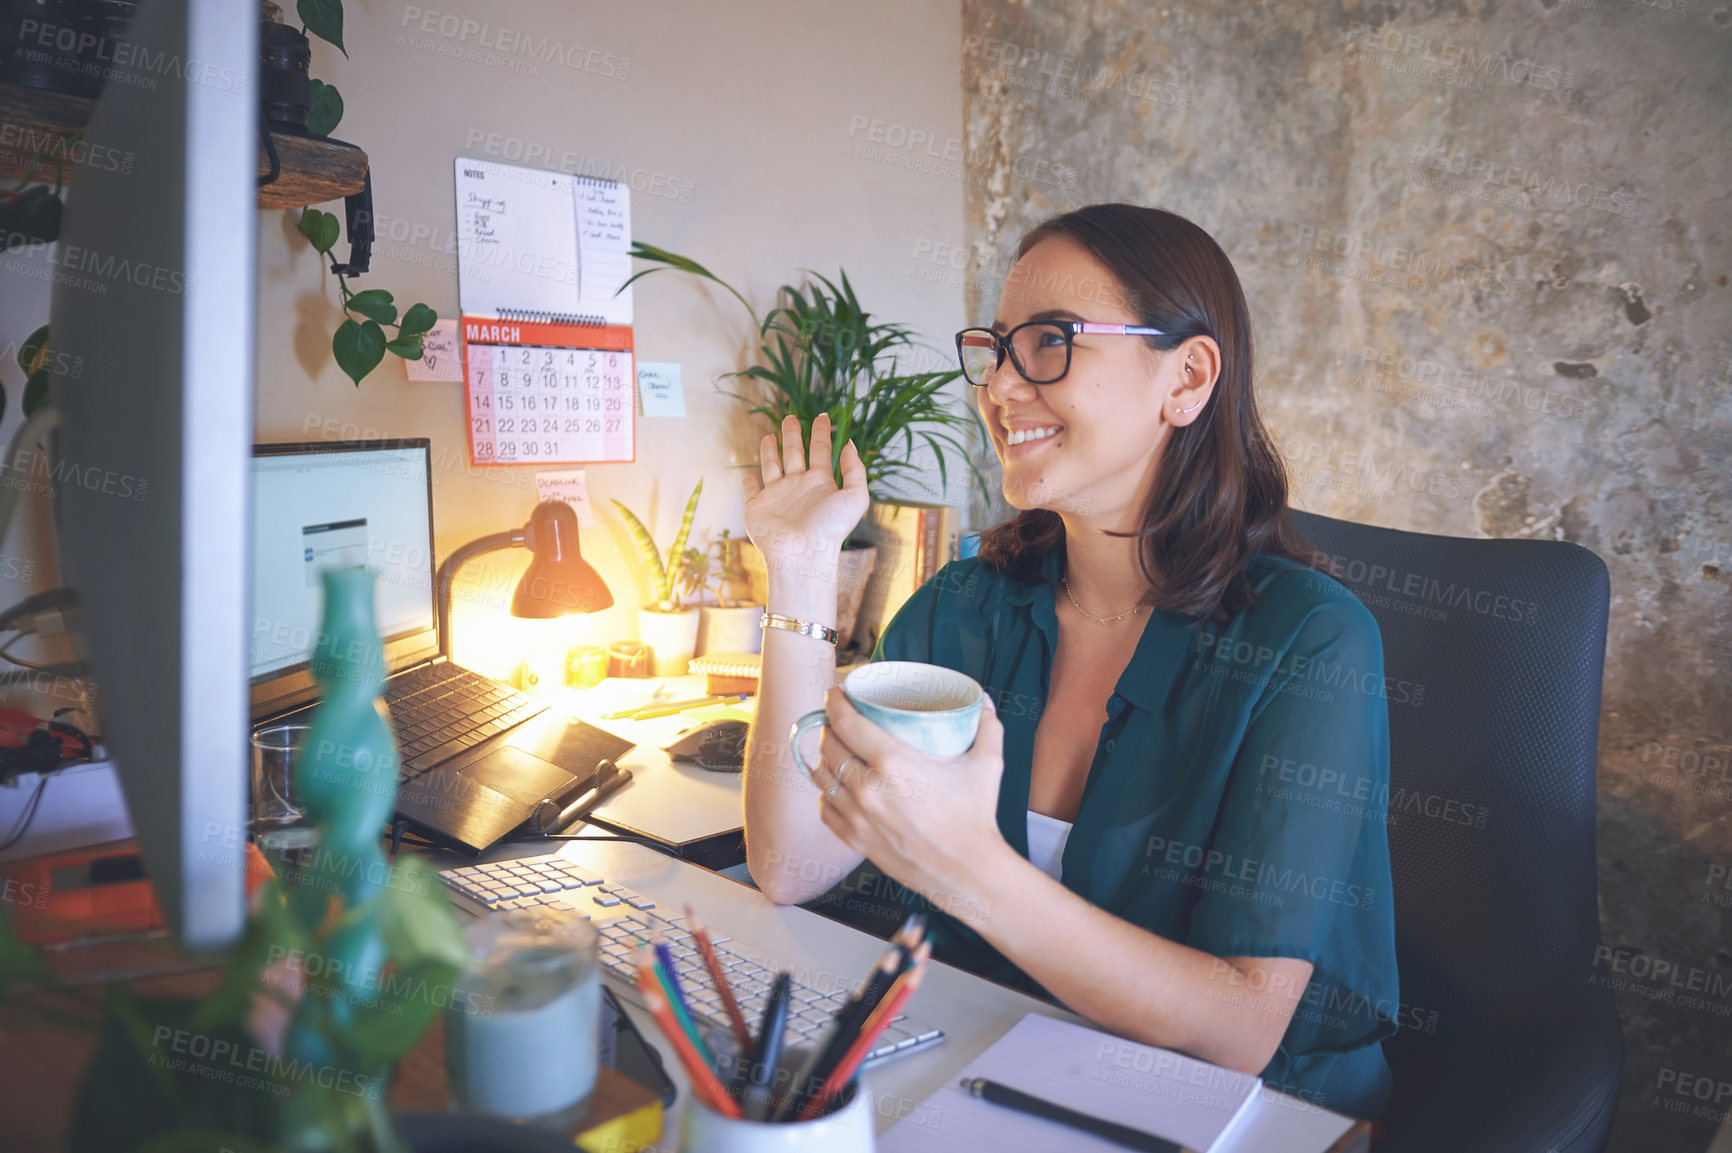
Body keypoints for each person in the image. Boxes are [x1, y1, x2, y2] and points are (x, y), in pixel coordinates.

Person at [740, 203, 1400, 1119]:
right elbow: (791, 866)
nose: (1001, 385)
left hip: (1238, 1116)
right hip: (991, 1064)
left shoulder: (1312, 640)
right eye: (998, 347)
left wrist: (969, 867)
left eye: (1050, 342)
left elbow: (1240, 1027)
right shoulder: (964, 606)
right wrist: (801, 571)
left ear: (1188, 378)